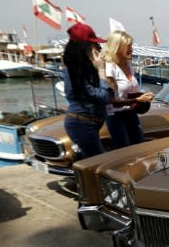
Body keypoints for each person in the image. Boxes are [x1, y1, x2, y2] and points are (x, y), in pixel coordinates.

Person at [62, 22, 114, 160]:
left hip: (88, 122)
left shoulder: (81, 69)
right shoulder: (76, 72)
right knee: (98, 161)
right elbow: (104, 95)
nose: (97, 48)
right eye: (94, 45)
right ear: (84, 47)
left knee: (87, 161)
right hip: (82, 123)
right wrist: (101, 70)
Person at [102, 30, 154, 148]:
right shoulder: (109, 68)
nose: (132, 49)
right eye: (128, 46)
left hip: (131, 114)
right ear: (117, 47)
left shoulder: (129, 64)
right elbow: (112, 101)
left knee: (140, 148)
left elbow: (130, 91)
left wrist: (143, 97)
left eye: (131, 45)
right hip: (116, 117)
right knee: (125, 151)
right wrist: (137, 100)